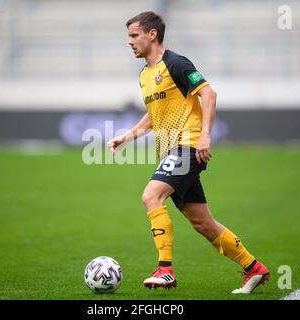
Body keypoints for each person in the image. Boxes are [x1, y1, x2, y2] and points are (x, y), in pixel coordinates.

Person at [107, 11, 269, 294]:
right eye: (128, 37)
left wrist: (205, 136)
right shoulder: (145, 74)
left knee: (151, 195)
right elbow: (154, 114)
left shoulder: (176, 63)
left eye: (134, 36)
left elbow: (208, 94)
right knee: (203, 223)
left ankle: (165, 270)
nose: (129, 42)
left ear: (152, 34)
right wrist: (127, 136)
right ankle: (254, 269)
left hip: (189, 145)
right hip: (171, 149)